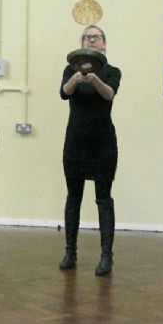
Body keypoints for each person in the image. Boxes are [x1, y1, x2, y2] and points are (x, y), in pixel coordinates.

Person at [59, 25, 121, 276]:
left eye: (96, 37)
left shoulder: (112, 71)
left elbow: (109, 95)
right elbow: (64, 93)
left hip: (103, 143)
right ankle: (70, 253)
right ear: (81, 43)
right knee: (73, 198)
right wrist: (76, 78)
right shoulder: (69, 70)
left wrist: (94, 78)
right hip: (75, 142)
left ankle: (107, 256)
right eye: (87, 37)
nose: (91, 41)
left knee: (103, 199)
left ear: (104, 43)